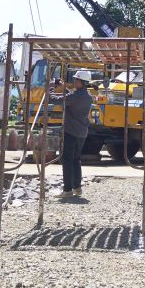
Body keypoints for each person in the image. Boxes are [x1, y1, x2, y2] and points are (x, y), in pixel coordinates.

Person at [55, 69, 93, 199]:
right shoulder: (87, 96)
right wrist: (64, 88)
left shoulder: (75, 96)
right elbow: (71, 97)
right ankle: (77, 187)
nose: (74, 81)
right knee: (76, 160)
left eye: (76, 79)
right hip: (82, 133)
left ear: (81, 82)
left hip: (71, 131)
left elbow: (58, 100)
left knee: (67, 160)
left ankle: (67, 190)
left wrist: (49, 90)